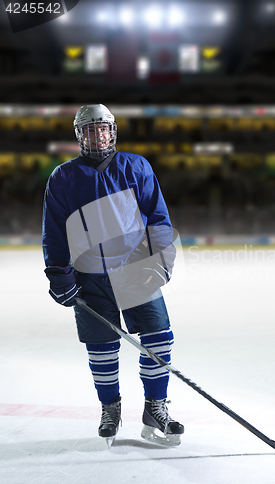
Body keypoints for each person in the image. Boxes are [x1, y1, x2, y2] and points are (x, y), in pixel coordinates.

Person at [42, 104, 184, 447]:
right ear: (79, 135)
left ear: (112, 130)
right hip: (89, 276)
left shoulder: (136, 166)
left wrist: (160, 261)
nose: (97, 135)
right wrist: (60, 276)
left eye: (102, 128)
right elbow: (55, 233)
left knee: (158, 337)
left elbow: (159, 219)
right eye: (90, 129)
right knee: (101, 346)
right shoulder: (63, 177)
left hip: (137, 271)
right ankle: (111, 408)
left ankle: (155, 407)